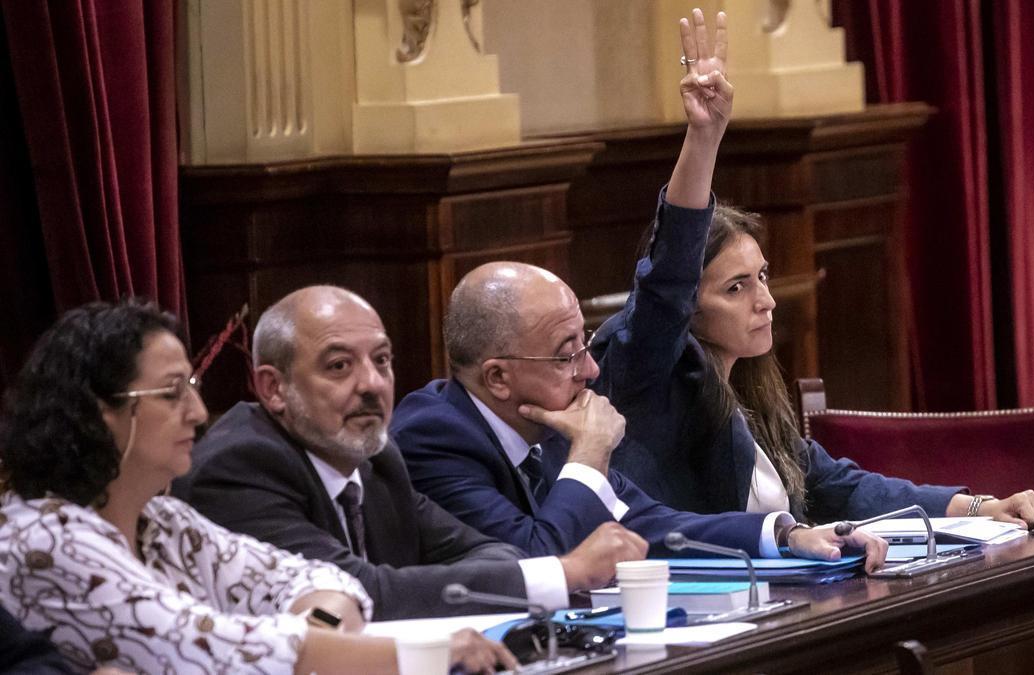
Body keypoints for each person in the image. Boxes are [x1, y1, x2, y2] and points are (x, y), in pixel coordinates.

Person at [391, 10, 886, 573]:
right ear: (498, 376)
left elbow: (651, 521)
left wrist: (786, 535)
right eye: (567, 354)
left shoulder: (553, 424)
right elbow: (537, 558)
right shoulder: (438, 434)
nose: (591, 369)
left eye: (585, 343)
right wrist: (588, 455)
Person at [588, 16, 1034, 529]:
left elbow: (840, 487)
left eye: (761, 278)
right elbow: (667, 279)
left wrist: (983, 506)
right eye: (736, 288)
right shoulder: (644, 371)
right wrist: (704, 137)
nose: (766, 300)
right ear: (686, 309)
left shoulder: (750, 394)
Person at [0, 299, 513, 674]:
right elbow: (208, 646)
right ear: (101, 411)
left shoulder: (163, 523)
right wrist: (425, 655)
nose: (198, 414)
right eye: (172, 393)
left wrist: (315, 635)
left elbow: (322, 582)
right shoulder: (48, 539)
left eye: (193, 390)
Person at [178, 285, 647, 622]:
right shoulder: (241, 466)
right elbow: (360, 592)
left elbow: (487, 550)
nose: (371, 384)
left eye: (381, 360)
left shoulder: (375, 458)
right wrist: (562, 572)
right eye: (339, 366)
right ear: (273, 388)